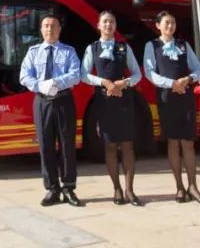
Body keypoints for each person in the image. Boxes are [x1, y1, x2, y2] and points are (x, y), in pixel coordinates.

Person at [143, 11, 200, 204]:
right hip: (167, 97)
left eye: (173, 22)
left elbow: (198, 69)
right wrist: (172, 84)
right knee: (173, 142)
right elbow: (149, 73)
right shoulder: (152, 46)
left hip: (185, 96)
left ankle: (193, 186)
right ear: (158, 25)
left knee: (188, 142)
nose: (170, 26)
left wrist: (188, 79)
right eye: (166, 23)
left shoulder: (183, 45)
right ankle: (179, 187)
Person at [19, 14, 83, 207]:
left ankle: (68, 188)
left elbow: (75, 74)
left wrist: (55, 82)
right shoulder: (33, 52)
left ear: (59, 29)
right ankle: (52, 189)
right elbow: (24, 76)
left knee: (66, 145)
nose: (49, 29)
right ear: (41, 30)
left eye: (53, 26)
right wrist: (40, 86)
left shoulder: (69, 51)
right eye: (46, 26)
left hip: (64, 101)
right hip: (42, 102)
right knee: (45, 145)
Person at [81, 11, 143, 206]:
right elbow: (83, 74)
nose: (108, 25)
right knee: (109, 146)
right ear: (99, 25)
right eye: (105, 21)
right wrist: (104, 82)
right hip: (104, 100)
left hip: (124, 100)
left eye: (112, 21)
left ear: (115, 26)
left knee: (127, 145)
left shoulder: (124, 47)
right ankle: (116, 189)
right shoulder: (92, 48)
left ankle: (130, 190)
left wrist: (124, 83)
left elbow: (137, 74)